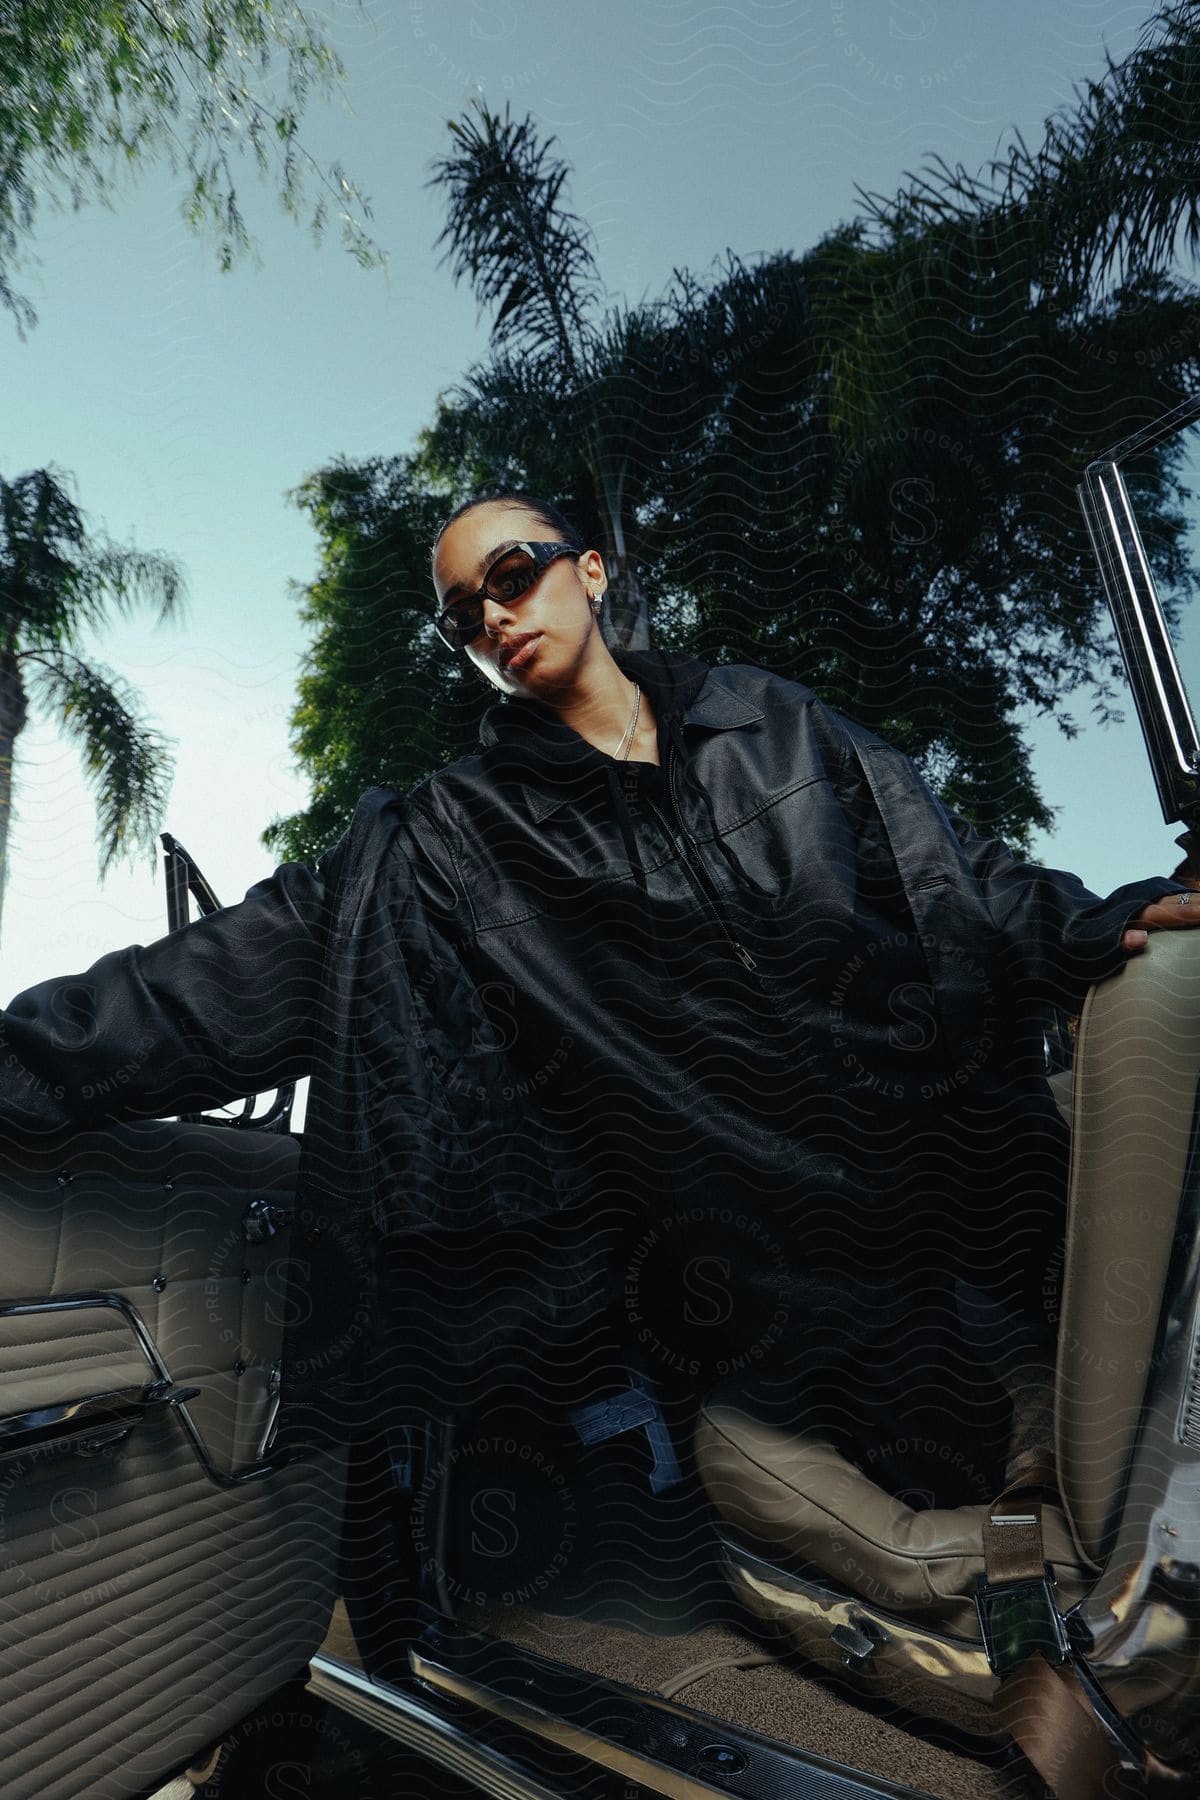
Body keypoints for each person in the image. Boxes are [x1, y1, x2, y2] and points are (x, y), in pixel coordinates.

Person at [0, 488, 1195, 1494]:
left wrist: (1099, 919)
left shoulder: (771, 719)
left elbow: (950, 870)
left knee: (1136, 1417)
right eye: (464, 613)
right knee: (966, 1473)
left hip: (972, 1187)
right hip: (782, 1282)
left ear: (591, 571)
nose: (495, 616)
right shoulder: (452, 841)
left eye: (513, 574)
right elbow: (206, 986)